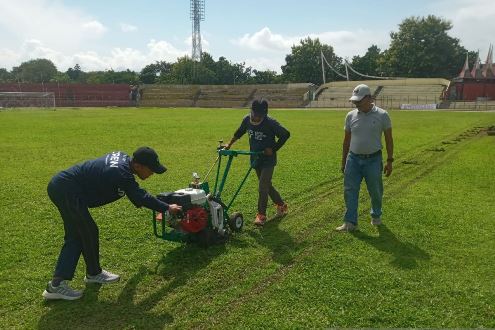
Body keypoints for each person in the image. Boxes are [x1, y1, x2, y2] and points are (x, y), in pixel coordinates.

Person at [42, 147, 182, 300]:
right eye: (151, 170)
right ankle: (56, 285)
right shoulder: (122, 174)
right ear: (137, 166)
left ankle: (93, 273)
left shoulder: (123, 161)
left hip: (65, 187)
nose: (152, 173)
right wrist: (167, 207)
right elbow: (140, 196)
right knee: (81, 234)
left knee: (85, 232)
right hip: (67, 190)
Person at [336, 84, 394, 232]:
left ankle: (376, 215)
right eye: (354, 102)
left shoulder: (382, 115)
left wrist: (389, 161)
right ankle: (350, 222)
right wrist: (344, 161)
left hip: (373, 160)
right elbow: (346, 141)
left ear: (369, 98)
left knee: (375, 190)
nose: (356, 104)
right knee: (350, 190)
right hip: (353, 159)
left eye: (359, 101)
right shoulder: (350, 115)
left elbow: (389, 139)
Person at [224, 99, 290, 226]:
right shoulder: (246, 120)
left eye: (259, 115)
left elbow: (285, 134)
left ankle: (261, 215)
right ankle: (281, 205)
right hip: (255, 158)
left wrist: (274, 149)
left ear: (265, 114)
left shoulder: (271, 123)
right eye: (255, 114)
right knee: (266, 186)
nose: (256, 117)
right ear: (251, 111)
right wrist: (229, 144)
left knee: (262, 187)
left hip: (268, 160)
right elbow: (239, 132)